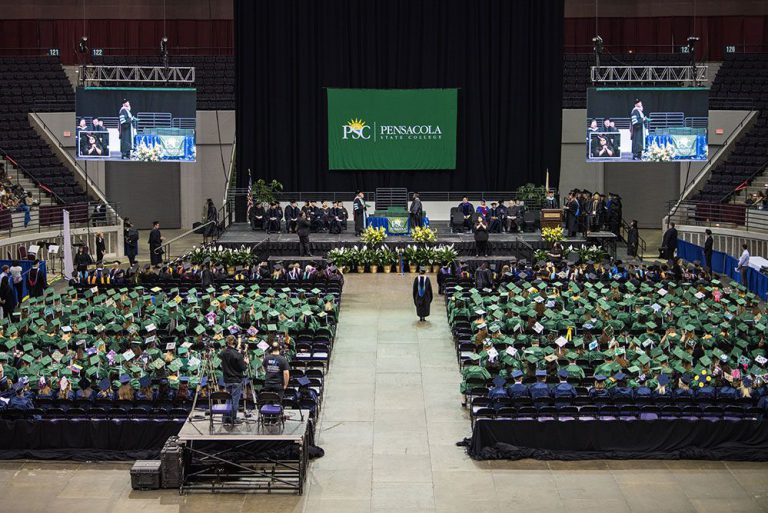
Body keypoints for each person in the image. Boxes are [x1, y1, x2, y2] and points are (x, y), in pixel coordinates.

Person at [220, 335, 248, 423]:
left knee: (228, 399)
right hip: (236, 380)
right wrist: (246, 362)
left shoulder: (222, 353)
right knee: (234, 401)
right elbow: (243, 368)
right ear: (235, 343)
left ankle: (226, 418)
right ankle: (233, 418)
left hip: (227, 380)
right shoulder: (238, 355)